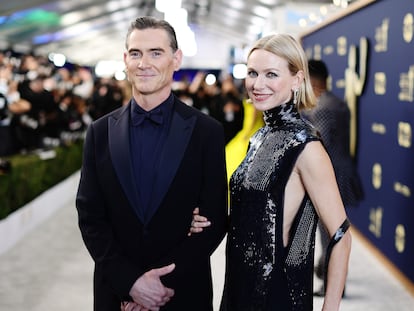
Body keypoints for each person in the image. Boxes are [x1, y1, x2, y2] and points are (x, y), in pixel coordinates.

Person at [76, 16, 228, 311]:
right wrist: (131, 283)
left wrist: (158, 288)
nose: (144, 63)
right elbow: (90, 218)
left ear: (176, 59)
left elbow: (214, 220)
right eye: (136, 53)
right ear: (125, 60)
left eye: (156, 53)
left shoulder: (206, 132)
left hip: (182, 295)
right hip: (117, 296)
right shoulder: (99, 132)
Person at [190, 33, 351, 311]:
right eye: (252, 73)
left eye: (271, 74)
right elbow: (254, 213)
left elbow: (341, 236)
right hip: (240, 287)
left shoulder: (306, 146)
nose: (257, 84)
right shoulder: (261, 136)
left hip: (276, 295)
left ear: (297, 80)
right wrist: (207, 221)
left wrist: (330, 308)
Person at [305, 59, 363, 296]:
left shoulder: (322, 108)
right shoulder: (338, 103)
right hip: (344, 172)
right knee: (334, 231)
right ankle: (329, 272)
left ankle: (332, 283)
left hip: (330, 178)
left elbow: (321, 146)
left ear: (311, 81)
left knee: (328, 234)